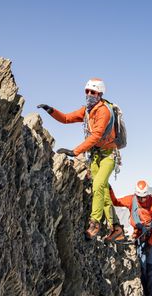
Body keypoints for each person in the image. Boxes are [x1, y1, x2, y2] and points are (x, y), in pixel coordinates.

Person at [37, 78, 124, 239]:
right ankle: (116, 228)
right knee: (102, 191)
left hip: (108, 156)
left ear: (100, 93)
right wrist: (50, 110)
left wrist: (75, 151)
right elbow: (66, 118)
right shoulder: (87, 110)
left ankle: (94, 224)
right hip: (96, 156)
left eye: (93, 92)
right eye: (87, 91)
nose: (90, 94)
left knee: (98, 186)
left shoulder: (103, 111)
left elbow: (97, 135)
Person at [110, 180, 152, 296]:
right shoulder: (132, 200)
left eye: (144, 197)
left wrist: (150, 243)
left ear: (148, 195)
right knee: (142, 268)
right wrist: (109, 189)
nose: (142, 200)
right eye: (140, 197)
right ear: (136, 195)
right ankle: (145, 294)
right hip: (140, 239)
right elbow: (116, 202)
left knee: (150, 269)